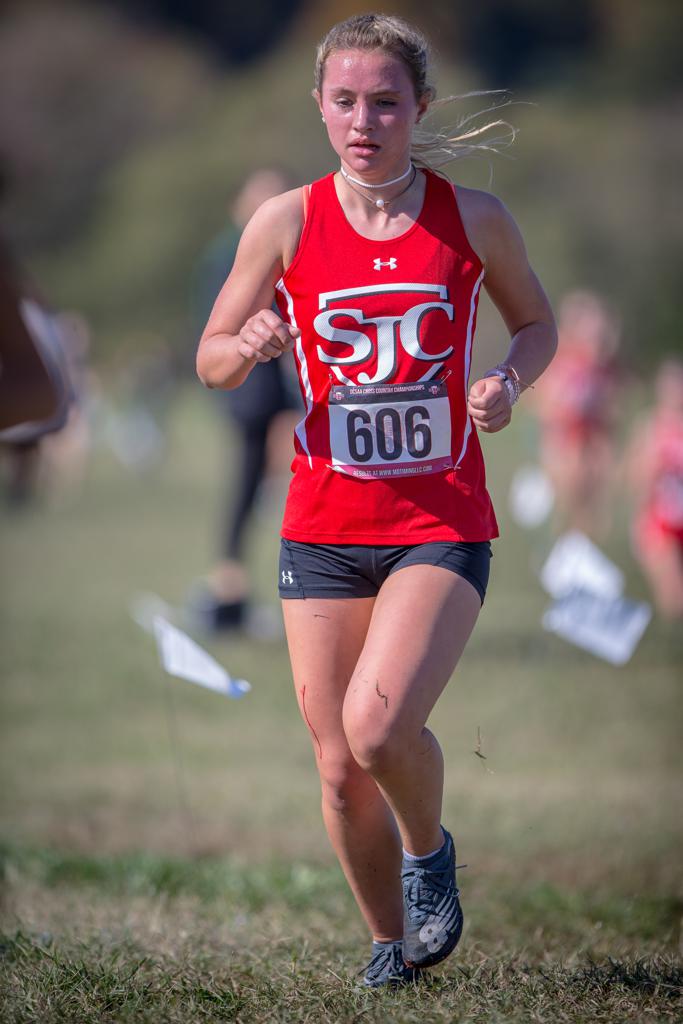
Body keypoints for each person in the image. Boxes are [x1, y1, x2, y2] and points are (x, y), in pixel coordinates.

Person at [197, 13, 557, 987]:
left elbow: (534, 325)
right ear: (319, 106)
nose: (364, 120)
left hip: (436, 522)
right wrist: (253, 344)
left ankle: (428, 850)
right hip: (319, 529)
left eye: (385, 102)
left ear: (418, 109)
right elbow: (211, 358)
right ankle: (388, 946)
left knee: (377, 726)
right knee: (335, 768)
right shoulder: (284, 222)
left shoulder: (472, 216)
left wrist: (506, 385)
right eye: (345, 101)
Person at [190, 169, 302, 631]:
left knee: (260, 482)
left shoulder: (249, 245)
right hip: (254, 388)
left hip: (268, 389)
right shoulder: (235, 251)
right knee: (252, 481)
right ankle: (228, 582)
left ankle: (232, 579)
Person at [532, 289, 621, 539]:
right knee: (569, 492)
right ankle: (564, 543)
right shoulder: (561, 356)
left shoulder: (602, 364)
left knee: (596, 495)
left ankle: (591, 542)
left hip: (591, 436)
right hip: (564, 436)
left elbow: (610, 405)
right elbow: (544, 402)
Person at [626, 359, 683, 620]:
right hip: (659, 523)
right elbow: (631, 477)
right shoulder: (651, 427)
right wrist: (651, 467)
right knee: (673, 600)